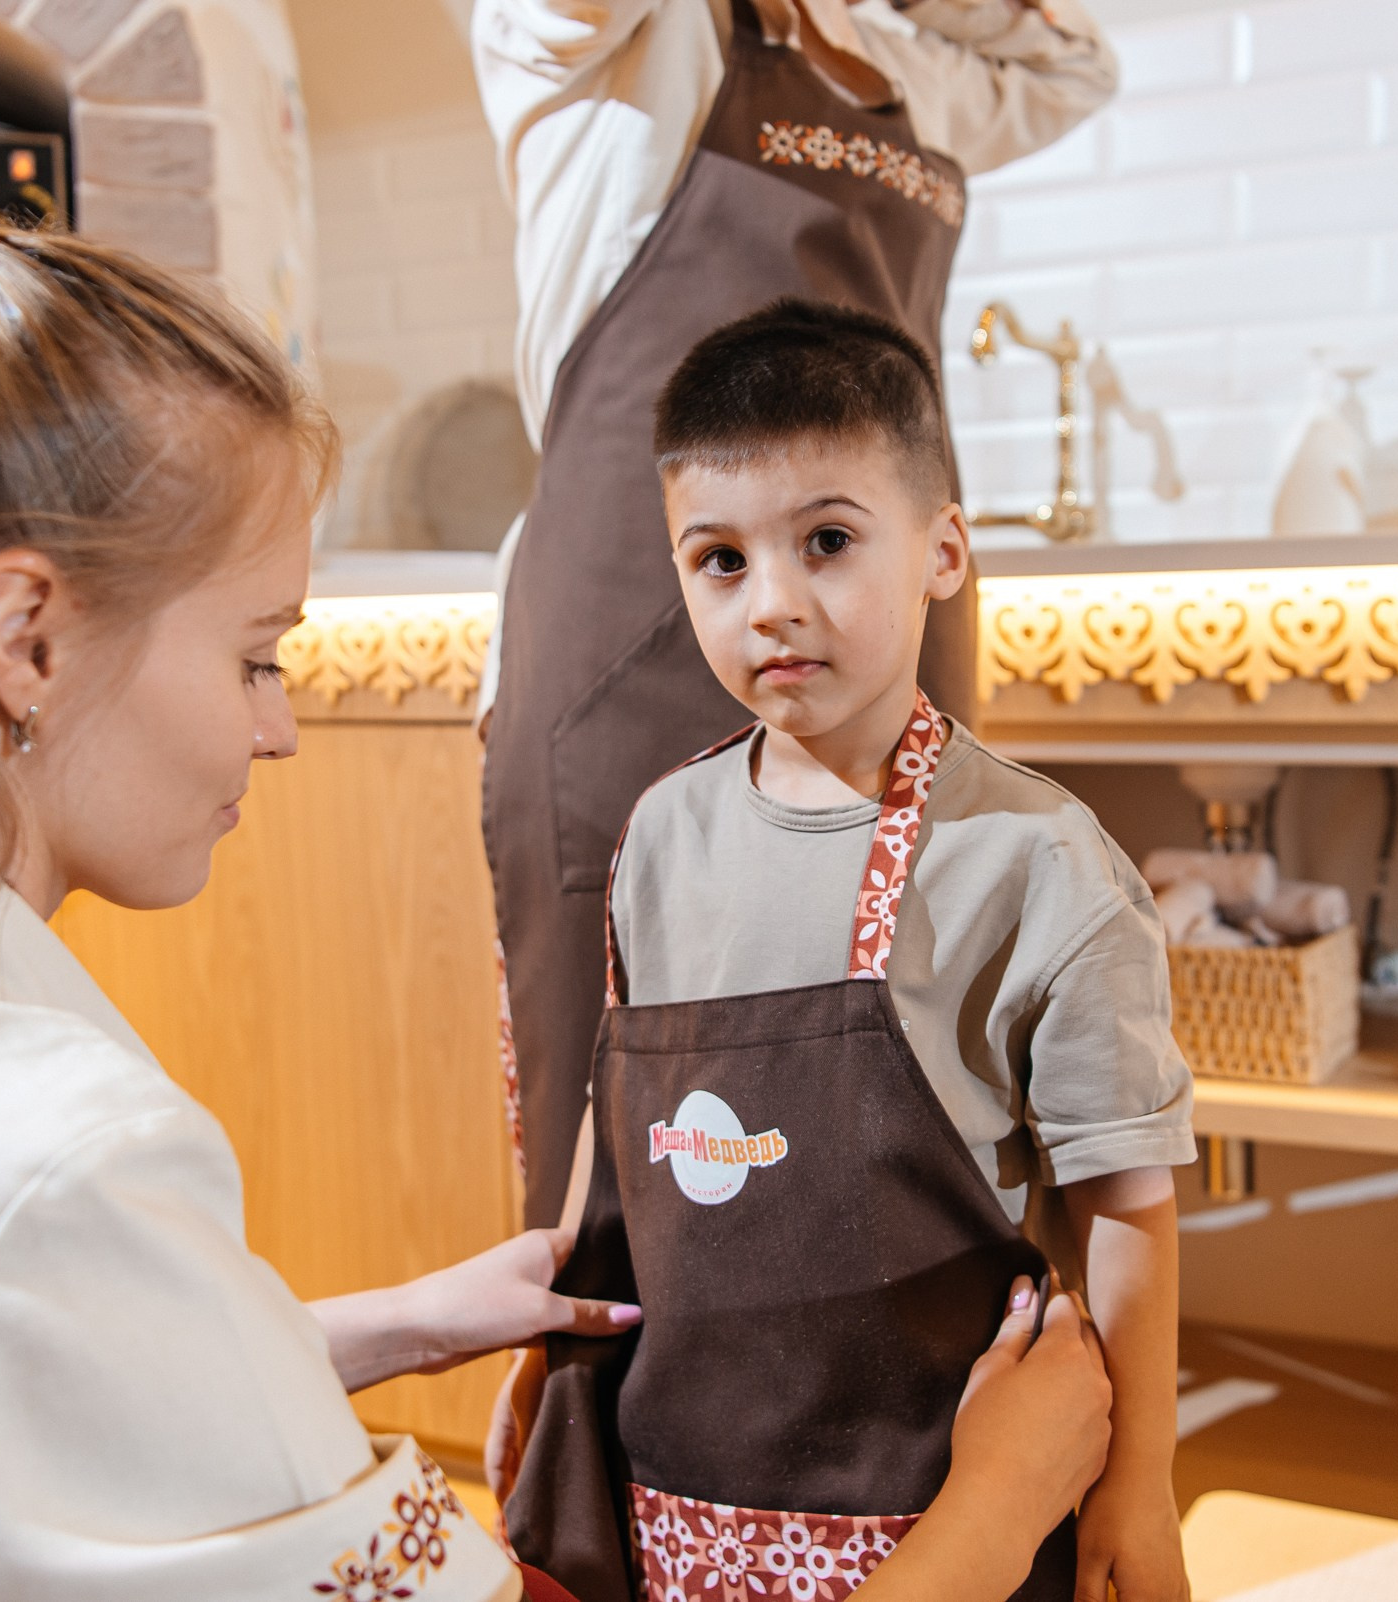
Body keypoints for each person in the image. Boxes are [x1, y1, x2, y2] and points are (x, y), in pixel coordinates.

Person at [0, 175, 1112, 1602]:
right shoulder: (46, 1160)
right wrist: (1000, 1500)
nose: (279, 726)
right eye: (254, 655)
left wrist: (379, 1328)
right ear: (26, 639)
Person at [499, 301, 1195, 1602]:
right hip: (678, 1500)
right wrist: (550, 1341)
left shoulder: (1040, 863)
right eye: (720, 559)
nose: (772, 604)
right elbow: (618, 1131)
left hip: (950, 1509)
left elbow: (1126, 1200)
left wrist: (1139, 1476)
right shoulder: (659, 836)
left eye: (826, 541)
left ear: (943, 552)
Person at [472, 0, 1121, 1232]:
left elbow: (1071, 65)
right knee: (633, 1163)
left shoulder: (898, 54)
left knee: (900, 1088)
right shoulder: (621, 42)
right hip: (641, 647)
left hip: (889, 647)